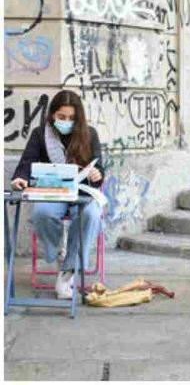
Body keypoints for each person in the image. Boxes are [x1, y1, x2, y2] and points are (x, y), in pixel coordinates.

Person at [10, 90, 104, 300]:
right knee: (42, 213)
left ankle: (68, 271)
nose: (66, 121)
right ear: (52, 114)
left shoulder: (89, 134)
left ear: (78, 117)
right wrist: (20, 178)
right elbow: (26, 163)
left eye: (71, 118)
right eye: (61, 117)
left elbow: (99, 169)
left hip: (83, 193)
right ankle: (59, 255)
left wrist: (97, 174)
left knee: (90, 215)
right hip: (53, 193)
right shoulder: (40, 134)